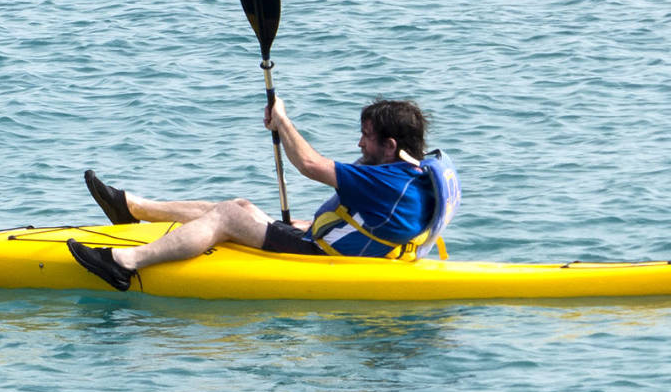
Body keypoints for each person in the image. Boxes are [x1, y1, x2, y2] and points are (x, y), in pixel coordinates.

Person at [66, 97, 455, 291]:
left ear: (389, 145)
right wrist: (312, 224)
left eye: (366, 139)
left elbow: (309, 165)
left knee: (229, 217)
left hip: (325, 258)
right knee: (239, 206)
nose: (358, 144)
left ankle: (125, 263)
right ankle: (134, 210)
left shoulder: (385, 180)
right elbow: (379, 223)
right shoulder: (414, 174)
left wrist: (283, 121)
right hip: (343, 246)